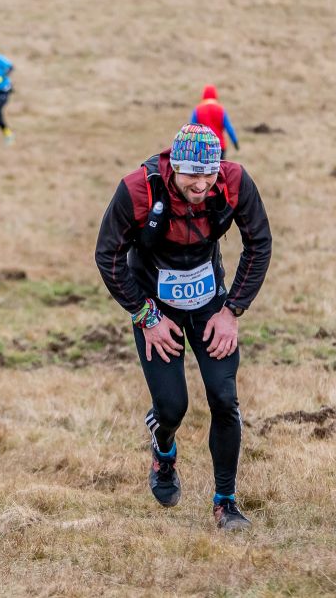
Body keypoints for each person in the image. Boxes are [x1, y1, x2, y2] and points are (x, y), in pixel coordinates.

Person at [94, 123, 272, 530]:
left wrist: (232, 310)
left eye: (208, 173)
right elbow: (108, 255)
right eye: (192, 173)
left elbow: (259, 243)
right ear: (174, 166)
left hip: (210, 305)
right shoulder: (138, 190)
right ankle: (163, 451)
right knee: (172, 407)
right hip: (156, 309)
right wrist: (146, 317)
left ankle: (225, 502)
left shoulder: (234, 182)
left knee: (224, 399)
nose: (201, 183)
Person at [190, 84, 239, 159]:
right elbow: (229, 128)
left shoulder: (197, 110)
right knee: (220, 166)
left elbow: (191, 129)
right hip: (219, 147)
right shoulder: (221, 110)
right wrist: (235, 142)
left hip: (202, 147)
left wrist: (190, 145)